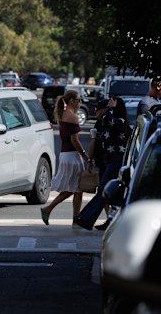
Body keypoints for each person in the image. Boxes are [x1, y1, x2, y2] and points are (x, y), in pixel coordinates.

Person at [74, 97, 129, 231]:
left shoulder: (119, 121)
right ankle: (103, 220)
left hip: (116, 160)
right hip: (108, 160)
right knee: (107, 193)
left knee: (104, 190)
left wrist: (111, 108)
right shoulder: (106, 123)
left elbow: (108, 120)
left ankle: (86, 219)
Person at [40, 90, 90, 227]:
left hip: (66, 154)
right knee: (74, 188)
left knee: (77, 189)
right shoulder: (72, 117)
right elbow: (75, 140)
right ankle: (49, 209)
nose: (80, 102)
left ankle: (75, 219)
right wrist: (85, 155)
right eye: (79, 100)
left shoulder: (64, 114)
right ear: (72, 101)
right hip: (72, 156)